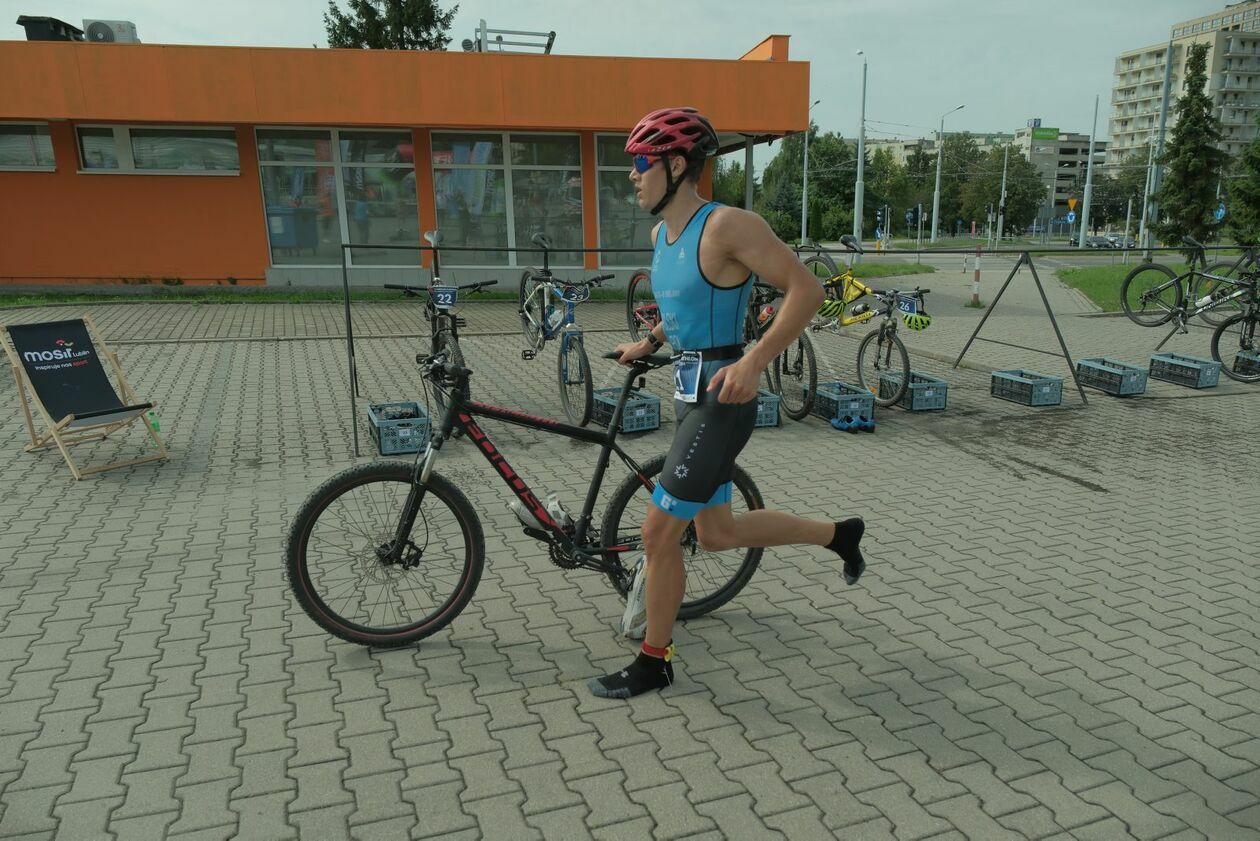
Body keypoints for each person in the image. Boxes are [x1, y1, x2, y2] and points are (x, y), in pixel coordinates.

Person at [588, 106, 869, 700]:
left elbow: (808, 290)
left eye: (642, 163)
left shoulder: (728, 226)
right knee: (715, 534)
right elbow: (679, 306)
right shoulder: (662, 235)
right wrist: (650, 341)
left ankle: (655, 661)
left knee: (658, 534)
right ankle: (838, 534)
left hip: (724, 398)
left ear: (677, 163)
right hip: (691, 396)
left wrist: (754, 361)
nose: (633, 176)